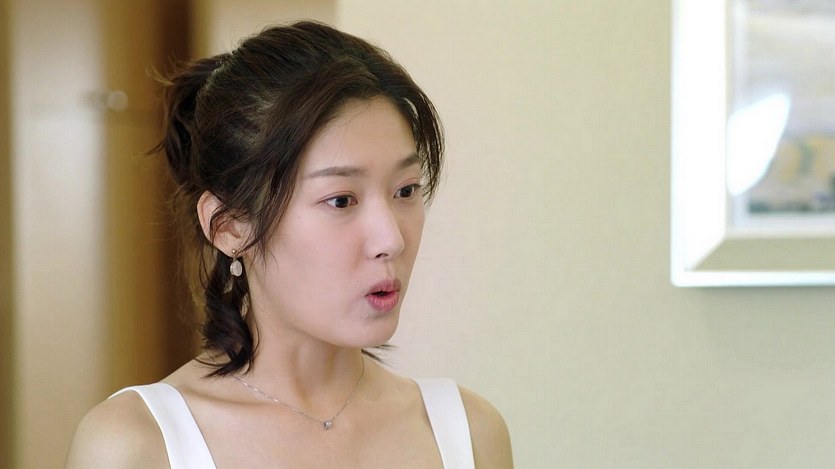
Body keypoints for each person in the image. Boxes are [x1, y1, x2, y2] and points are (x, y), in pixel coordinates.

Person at [65, 20, 512, 468]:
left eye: (406, 190)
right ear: (229, 226)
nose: (391, 239)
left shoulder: (468, 433)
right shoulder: (136, 444)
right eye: (341, 200)